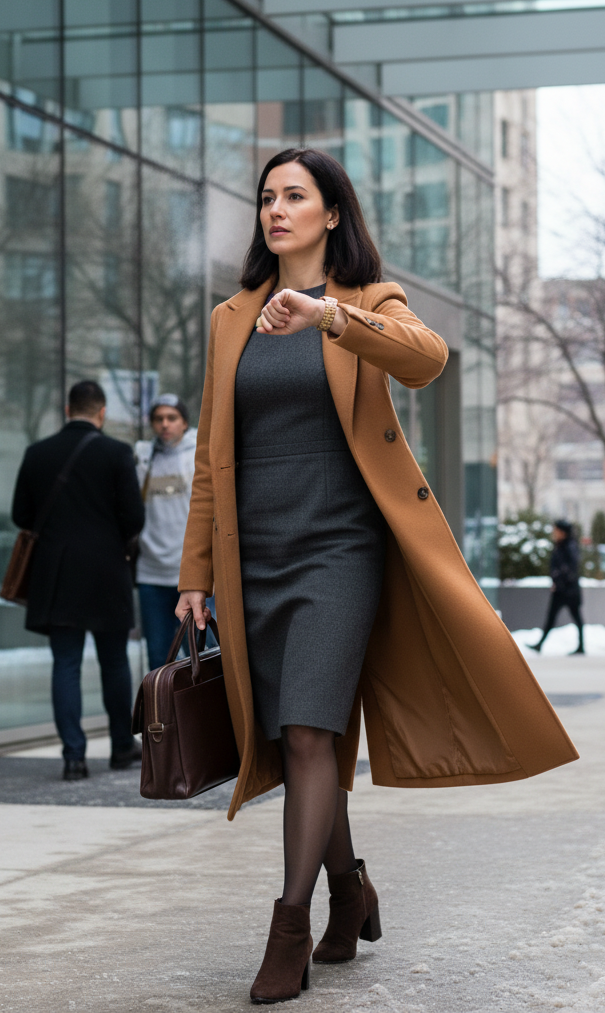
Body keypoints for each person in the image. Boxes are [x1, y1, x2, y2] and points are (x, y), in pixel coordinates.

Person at [176, 147, 578, 1004]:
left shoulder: (366, 301)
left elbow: (425, 358)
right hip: (259, 558)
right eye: (266, 198)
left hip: (342, 550)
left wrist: (329, 321)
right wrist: (196, 571)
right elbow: (214, 460)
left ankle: (288, 922)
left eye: (295, 196)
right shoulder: (230, 317)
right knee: (291, 740)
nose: (276, 210)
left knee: (315, 731)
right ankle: (351, 888)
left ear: (331, 213)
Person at [12, 380, 145, 781]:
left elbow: (21, 514)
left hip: (56, 574)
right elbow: (135, 519)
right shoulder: (118, 453)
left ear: (67, 410)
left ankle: (74, 757)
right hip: (106, 571)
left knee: (65, 663)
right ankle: (122, 745)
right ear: (101, 413)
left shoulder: (37, 453)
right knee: (114, 661)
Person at [134, 394, 215, 670]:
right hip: (152, 573)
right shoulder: (143, 458)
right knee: (159, 659)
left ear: (184, 422)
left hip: (191, 574)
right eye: (158, 419)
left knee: (203, 657)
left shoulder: (198, 455)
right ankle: (165, 714)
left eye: (171, 418)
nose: (164, 425)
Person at [530, 519, 585, 655]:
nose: (553, 532)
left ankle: (581, 646)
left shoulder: (568, 546)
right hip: (564, 589)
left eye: (556, 530)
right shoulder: (562, 545)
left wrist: (559, 580)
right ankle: (541, 644)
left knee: (574, 618)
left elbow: (571, 568)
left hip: (567, 590)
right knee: (554, 617)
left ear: (562, 532)